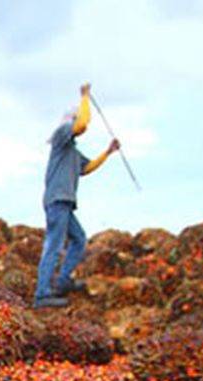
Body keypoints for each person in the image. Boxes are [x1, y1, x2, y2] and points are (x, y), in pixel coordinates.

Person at [33, 83, 120, 308]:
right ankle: (42, 294)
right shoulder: (61, 136)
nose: (79, 124)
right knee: (53, 244)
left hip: (65, 203)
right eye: (75, 119)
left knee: (79, 239)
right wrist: (85, 98)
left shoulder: (71, 150)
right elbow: (82, 124)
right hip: (57, 201)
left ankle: (62, 282)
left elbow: (87, 168)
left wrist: (108, 153)